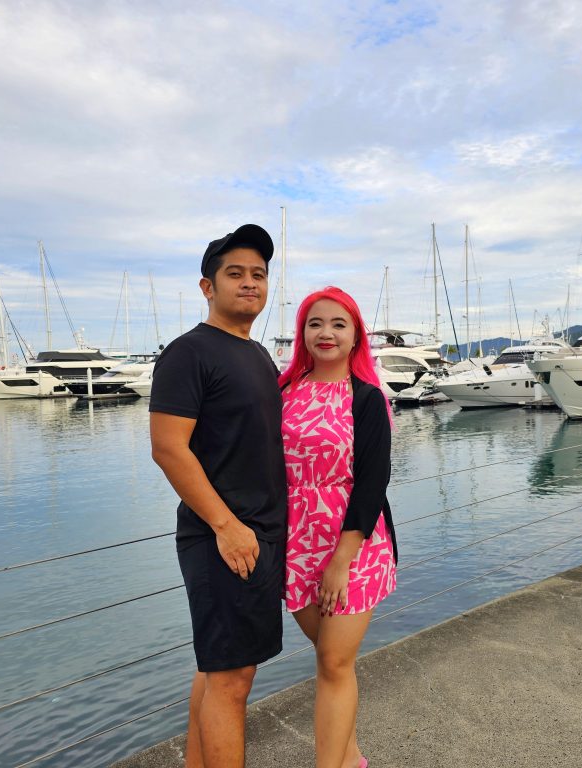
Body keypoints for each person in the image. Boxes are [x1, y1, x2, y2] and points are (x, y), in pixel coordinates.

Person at [149, 224, 286, 768]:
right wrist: (227, 527)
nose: (249, 283)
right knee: (232, 681)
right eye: (235, 274)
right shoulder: (188, 353)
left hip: (256, 534)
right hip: (224, 537)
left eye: (258, 274)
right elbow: (168, 449)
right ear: (207, 286)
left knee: (218, 669)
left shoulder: (255, 355)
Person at [279, 287, 398, 768]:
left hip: (354, 546)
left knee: (333, 663)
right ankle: (351, 760)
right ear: (302, 334)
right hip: (295, 543)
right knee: (330, 657)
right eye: (315, 323)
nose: (325, 333)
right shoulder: (283, 392)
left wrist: (340, 563)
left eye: (338, 324)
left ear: (355, 337)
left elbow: (373, 483)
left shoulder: (367, 399)